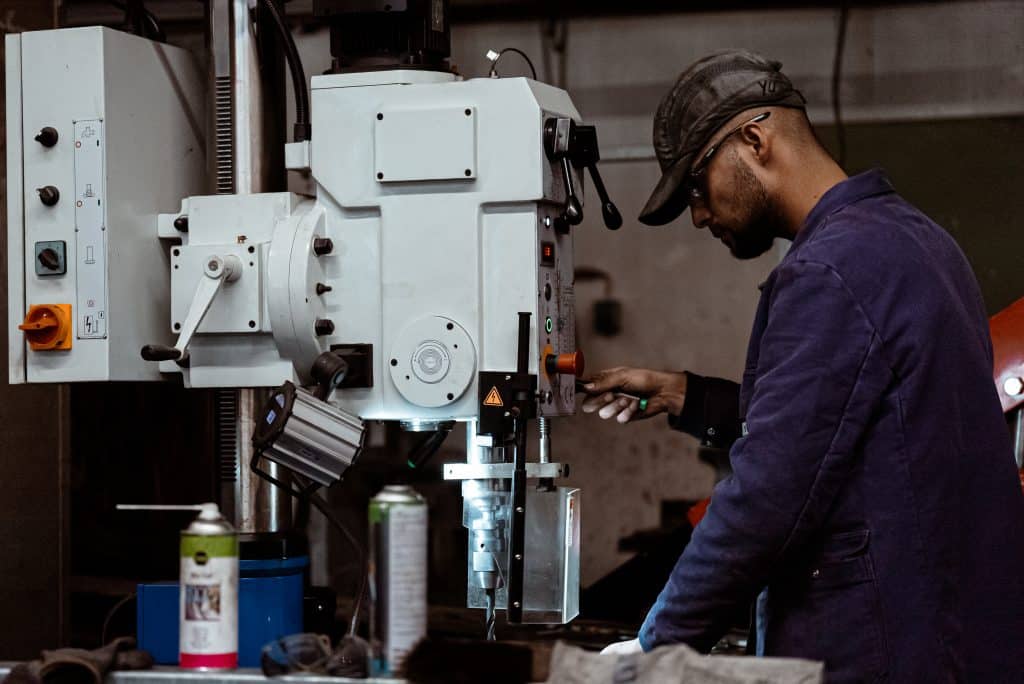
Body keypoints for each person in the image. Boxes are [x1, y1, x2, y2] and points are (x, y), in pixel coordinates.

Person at [585, 50, 1024, 682]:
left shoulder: (830, 269)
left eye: (696, 188)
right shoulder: (915, 239)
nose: (700, 215)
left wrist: (655, 647)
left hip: (880, 653)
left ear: (754, 140)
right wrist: (688, 396)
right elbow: (857, 428)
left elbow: (770, 492)